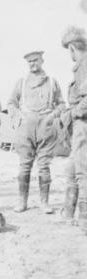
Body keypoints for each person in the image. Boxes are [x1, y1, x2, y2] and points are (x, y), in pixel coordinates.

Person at [8, 51, 65, 214]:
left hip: (45, 128)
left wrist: (52, 116)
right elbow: (11, 103)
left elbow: (61, 104)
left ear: (42, 61)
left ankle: (44, 202)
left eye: (36, 60)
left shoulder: (52, 82)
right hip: (26, 127)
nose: (33, 63)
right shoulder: (22, 82)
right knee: (24, 166)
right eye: (30, 61)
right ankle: (22, 201)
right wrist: (17, 116)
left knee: (44, 167)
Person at [60, 26, 87, 233]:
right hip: (79, 127)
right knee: (71, 170)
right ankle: (68, 214)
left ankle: (85, 220)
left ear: (71, 48)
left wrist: (73, 113)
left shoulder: (84, 65)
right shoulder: (80, 66)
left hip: (84, 126)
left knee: (82, 172)